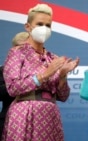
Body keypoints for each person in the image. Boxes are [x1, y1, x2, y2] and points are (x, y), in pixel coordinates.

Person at [2, 4, 79, 141]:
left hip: (50, 116)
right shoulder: (17, 53)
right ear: (28, 27)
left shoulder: (53, 58)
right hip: (24, 114)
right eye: (39, 24)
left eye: (48, 25)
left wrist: (62, 76)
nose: (44, 28)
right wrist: (44, 75)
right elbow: (13, 88)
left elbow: (63, 96)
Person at [0, 32, 29, 137]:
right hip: (7, 120)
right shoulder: (3, 70)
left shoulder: (41, 70)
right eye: (18, 47)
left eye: (25, 47)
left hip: (35, 120)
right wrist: (16, 84)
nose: (21, 51)